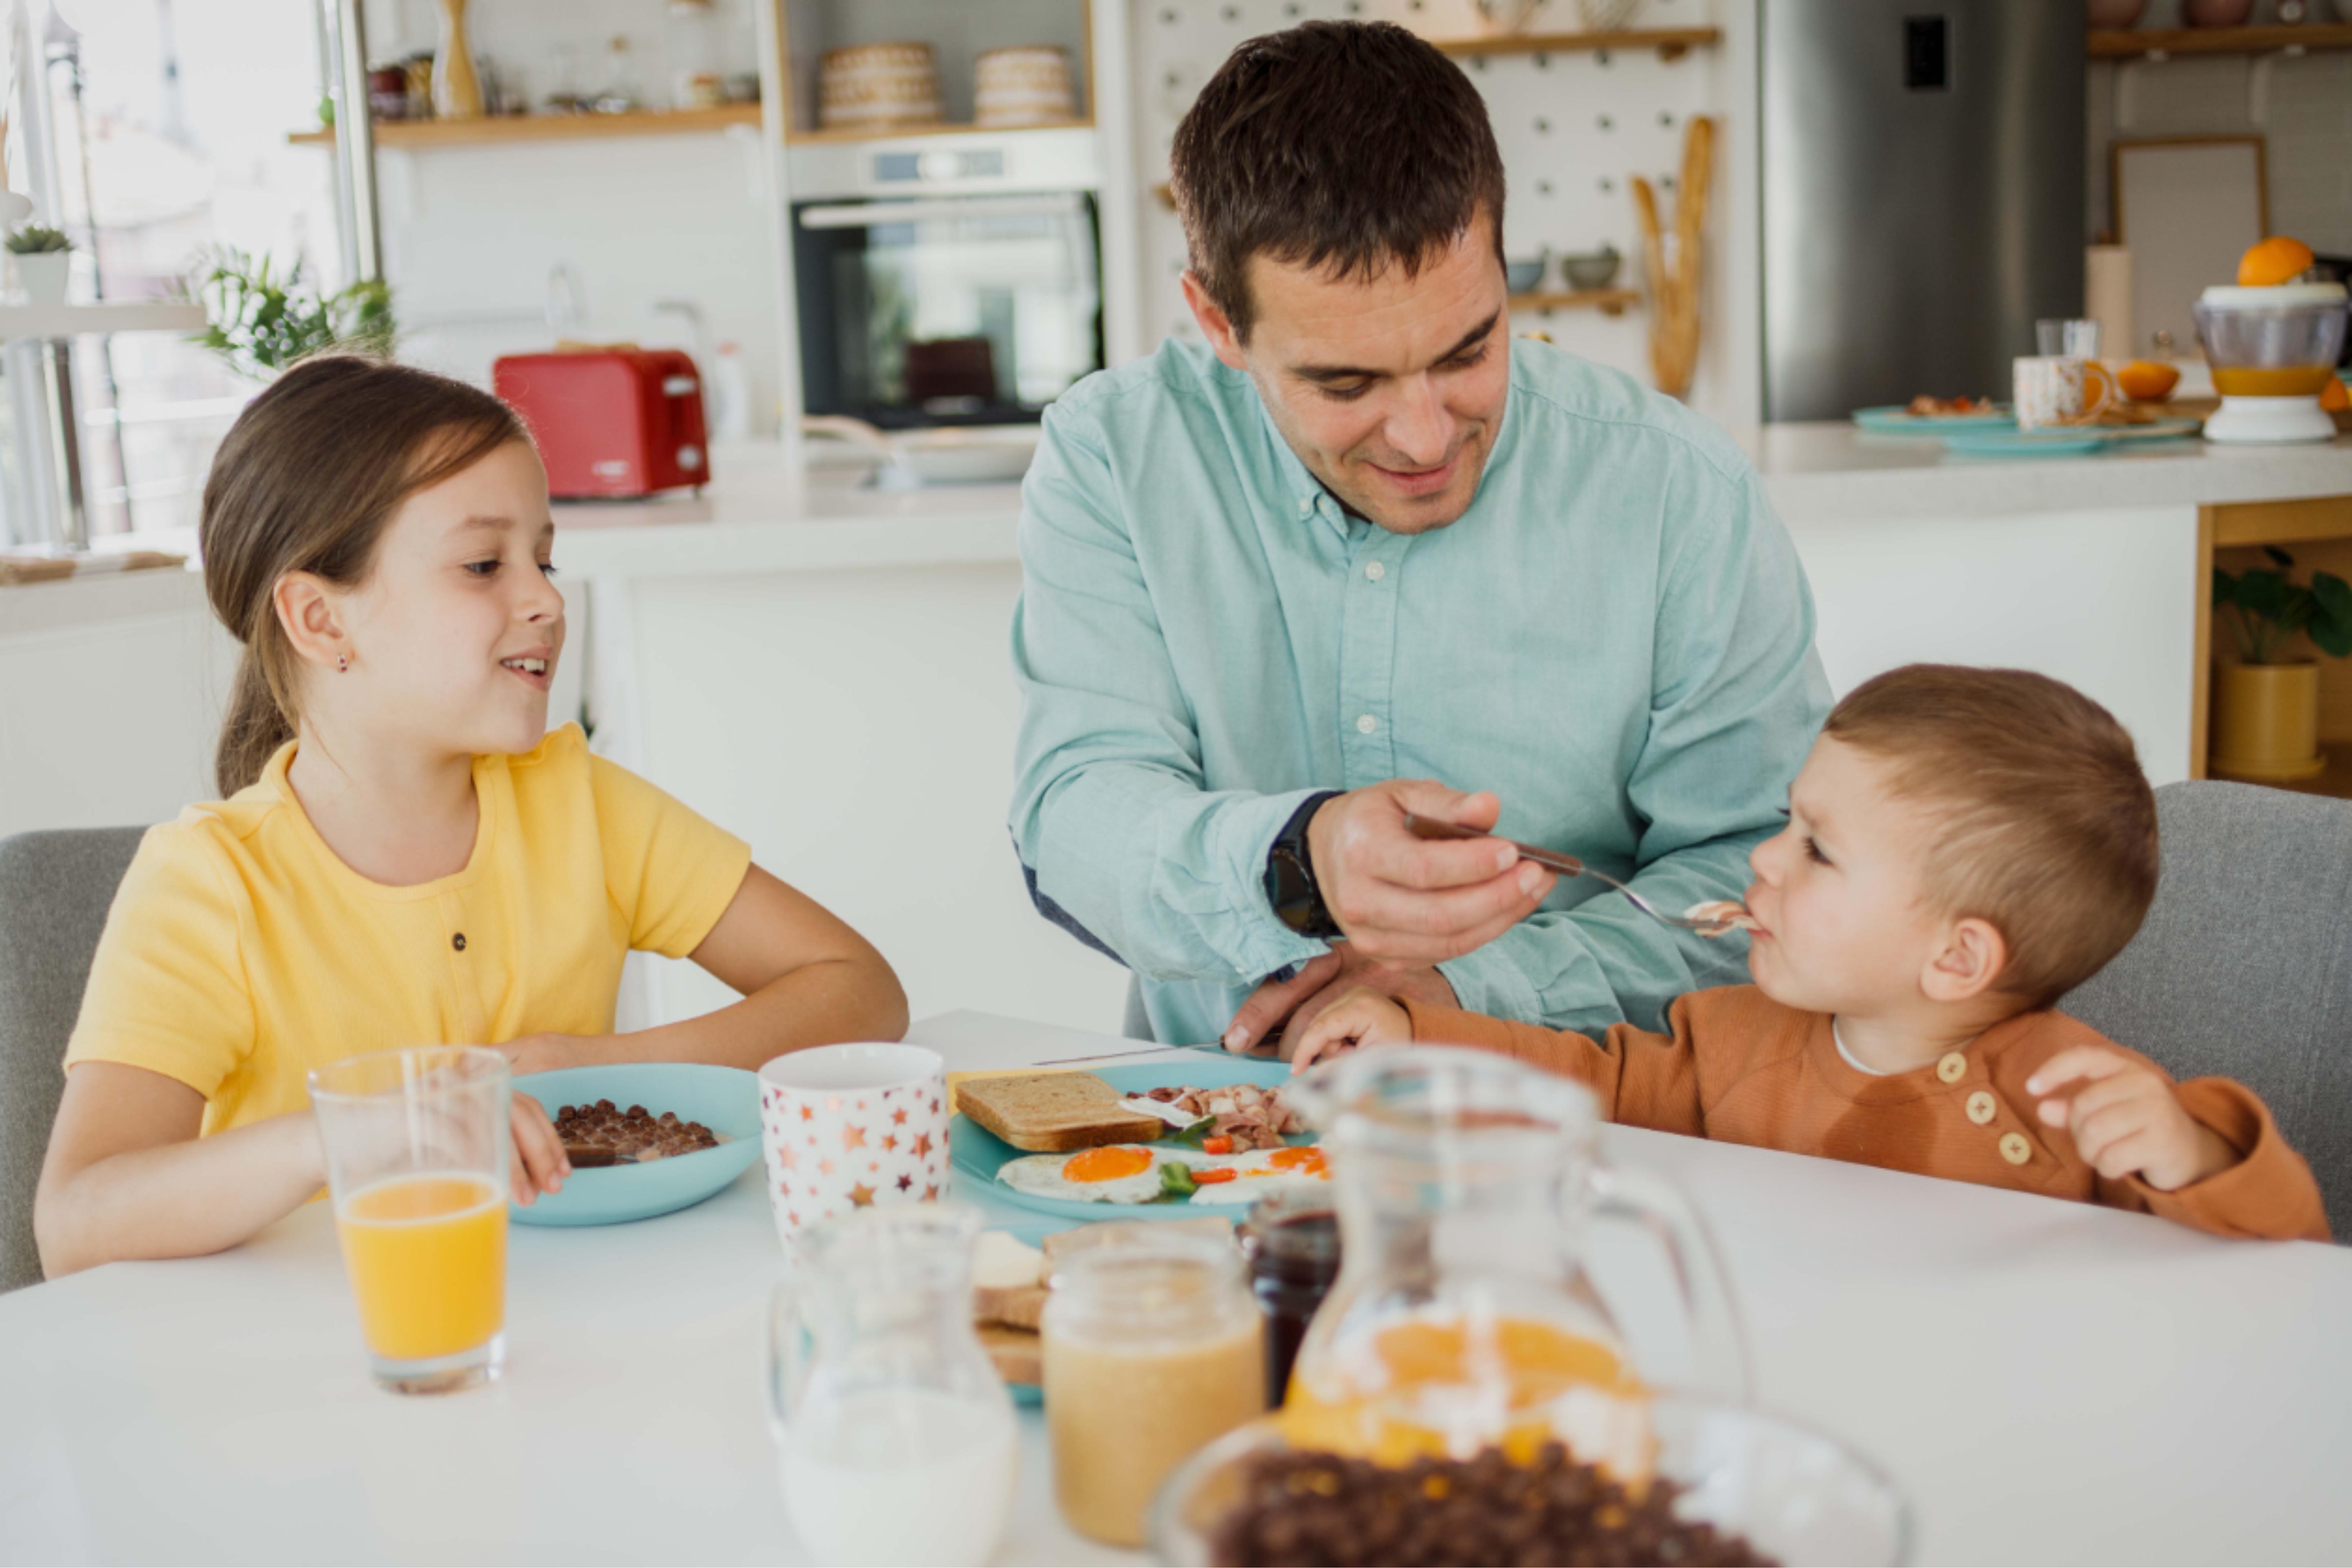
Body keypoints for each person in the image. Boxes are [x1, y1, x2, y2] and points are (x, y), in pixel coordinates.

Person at [1009, 21, 1827, 1053]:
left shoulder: (1675, 488)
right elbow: (1074, 821)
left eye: (1468, 349)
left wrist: (1471, 989)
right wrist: (1298, 861)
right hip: (1218, 1129)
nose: (1425, 436)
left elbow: (1763, 875)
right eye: (1344, 384)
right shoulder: (1115, 456)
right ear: (1217, 323)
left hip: (1585, 1122)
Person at [34, 356, 907, 1277]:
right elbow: (78, 1223)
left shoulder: (582, 803)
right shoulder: (209, 884)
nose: (545, 598)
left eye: (544, 557)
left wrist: (591, 1064)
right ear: (322, 622)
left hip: (562, 1322)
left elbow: (858, 989)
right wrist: (353, 1136)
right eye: (484, 564)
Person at [1290, 665, 2329, 1242]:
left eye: (1815, 850)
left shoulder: (2071, 1099)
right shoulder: (1732, 1041)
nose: (1761, 860)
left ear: (1957, 959)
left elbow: (2280, 1258)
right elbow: (1583, 1082)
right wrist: (1412, 1035)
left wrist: (2194, 1154)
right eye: (1787, 822)